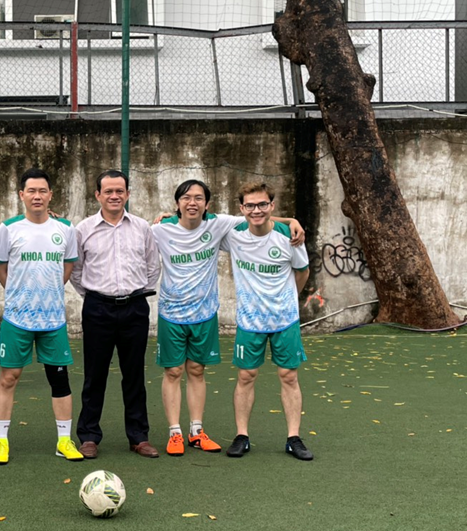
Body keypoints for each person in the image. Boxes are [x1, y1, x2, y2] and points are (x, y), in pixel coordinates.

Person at [151, 180, 304, 457]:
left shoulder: (220, 225)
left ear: (208, 205)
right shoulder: (162, 230)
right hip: (172, 313)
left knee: (199, 371)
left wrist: (292, 219)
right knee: (176, 372)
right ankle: (177, 433)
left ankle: (197, 432)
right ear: (177, 204)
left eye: (199, 198)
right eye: (186, 198)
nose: (192, 202)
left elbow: (257, 215)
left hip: (209, 314)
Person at [0, 168, 82, 464]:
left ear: (51, 195)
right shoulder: (8, 228)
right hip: (17, 319)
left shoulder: (65, 229)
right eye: (31, 191)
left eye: (43, 191)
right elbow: (1, 269)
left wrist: (48, 292)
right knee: (8, 378)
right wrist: (21, 295)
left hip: (52, 320)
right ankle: (1, 442)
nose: (37, 196)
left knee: (60, 380)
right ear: (22, 195)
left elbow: (67, 266)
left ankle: (64, 441)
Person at [70, 169, 160, 460]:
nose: (114, 196)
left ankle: (138, 436)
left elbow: (152, 266)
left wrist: (134, 294)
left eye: (119, 191)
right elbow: (76, 270)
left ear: (128, 194)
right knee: (94, 375)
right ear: (97, 195)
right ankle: (89, 436)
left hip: (135, 307)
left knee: (134, 374)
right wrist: (95, 296)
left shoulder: (142, 227)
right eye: (108, 191)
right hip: (98, 308)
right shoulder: (83, 229)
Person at [220, 182, 312, 460]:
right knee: (246, 376)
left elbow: (303, 271)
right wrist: (169, 217)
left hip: (285, 321)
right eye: (250, 205)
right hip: (249, 321)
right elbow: (197, 218)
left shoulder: (289, 236)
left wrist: (288, 300)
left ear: (272, 206)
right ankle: (242, 436)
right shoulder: (233, 234)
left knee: (289, 376)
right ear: (241, 209)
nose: (256, 210)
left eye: (262, 204)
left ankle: (293, 437)